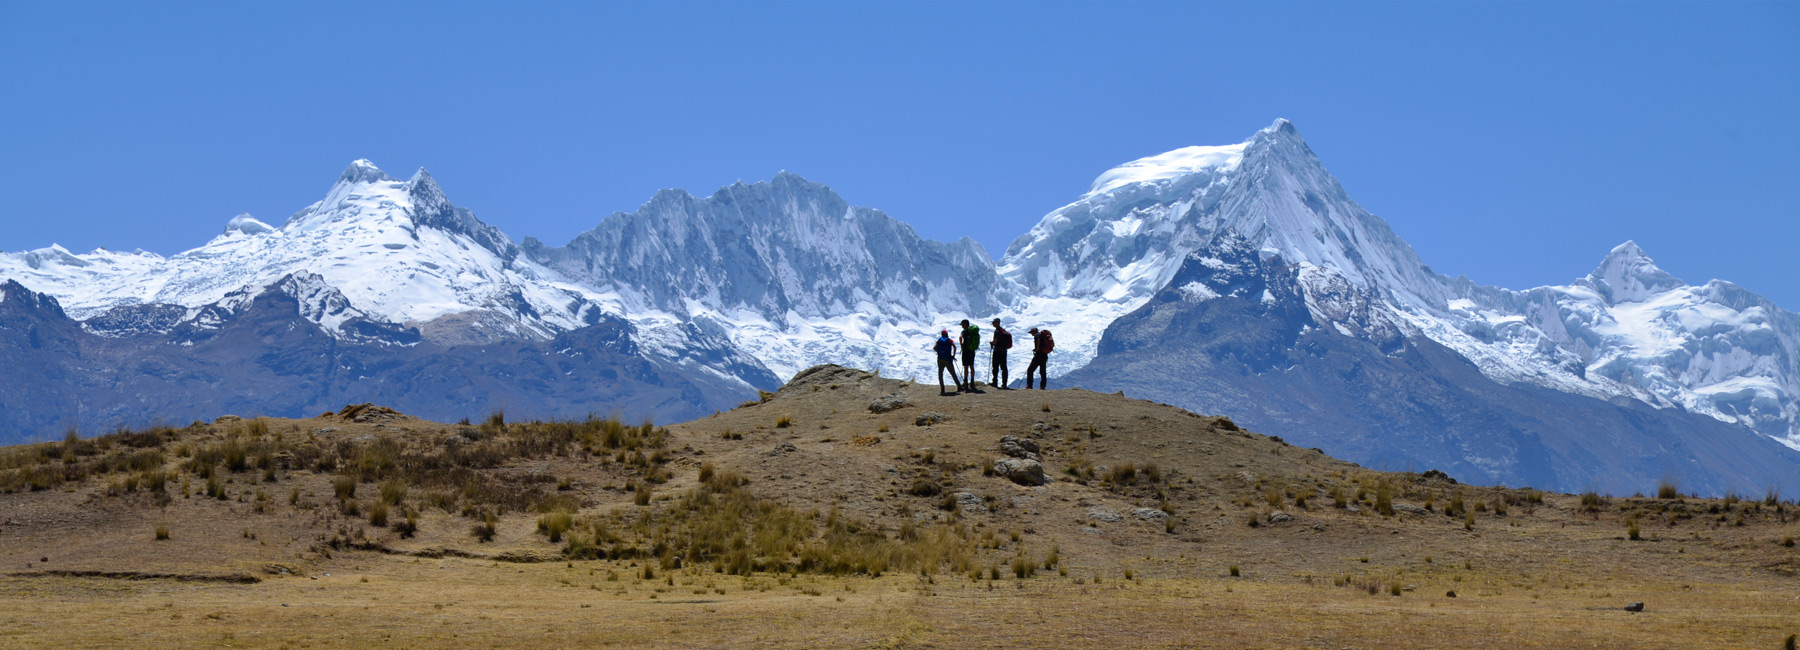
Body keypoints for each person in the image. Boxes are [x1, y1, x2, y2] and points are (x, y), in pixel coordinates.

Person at [933, 329, 961, 395]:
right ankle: (959, 386)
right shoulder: (949, 340)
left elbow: (934, 348)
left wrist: (939, 352)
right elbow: (954, 347)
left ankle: (942, 389)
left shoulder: (939, 340)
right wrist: (953, 356)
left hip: (940, 358)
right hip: (948, 358)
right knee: (953, 373)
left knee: (940, 374)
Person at [958, 319, 981, 391]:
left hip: (965, 350)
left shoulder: (964, 331)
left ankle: (965, 382)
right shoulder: (973, 332)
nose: (961, 326)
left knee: (966, 367)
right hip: (972, 350)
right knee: (971, 366)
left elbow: (960, 337)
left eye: (962, 324)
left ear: (965, 324)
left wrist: (961, 345)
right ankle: (972, 382)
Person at [989, 318, 1012, 389]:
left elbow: (995, 341)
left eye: (993, 322)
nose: (993, 324)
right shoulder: (1004, 331)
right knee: (1004, 367)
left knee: (995, 367)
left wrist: (992, 343)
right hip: (1004, 351)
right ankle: (1004, 384)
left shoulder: (997, 331)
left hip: (997, 351)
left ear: (997, 323)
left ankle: (995, 382)